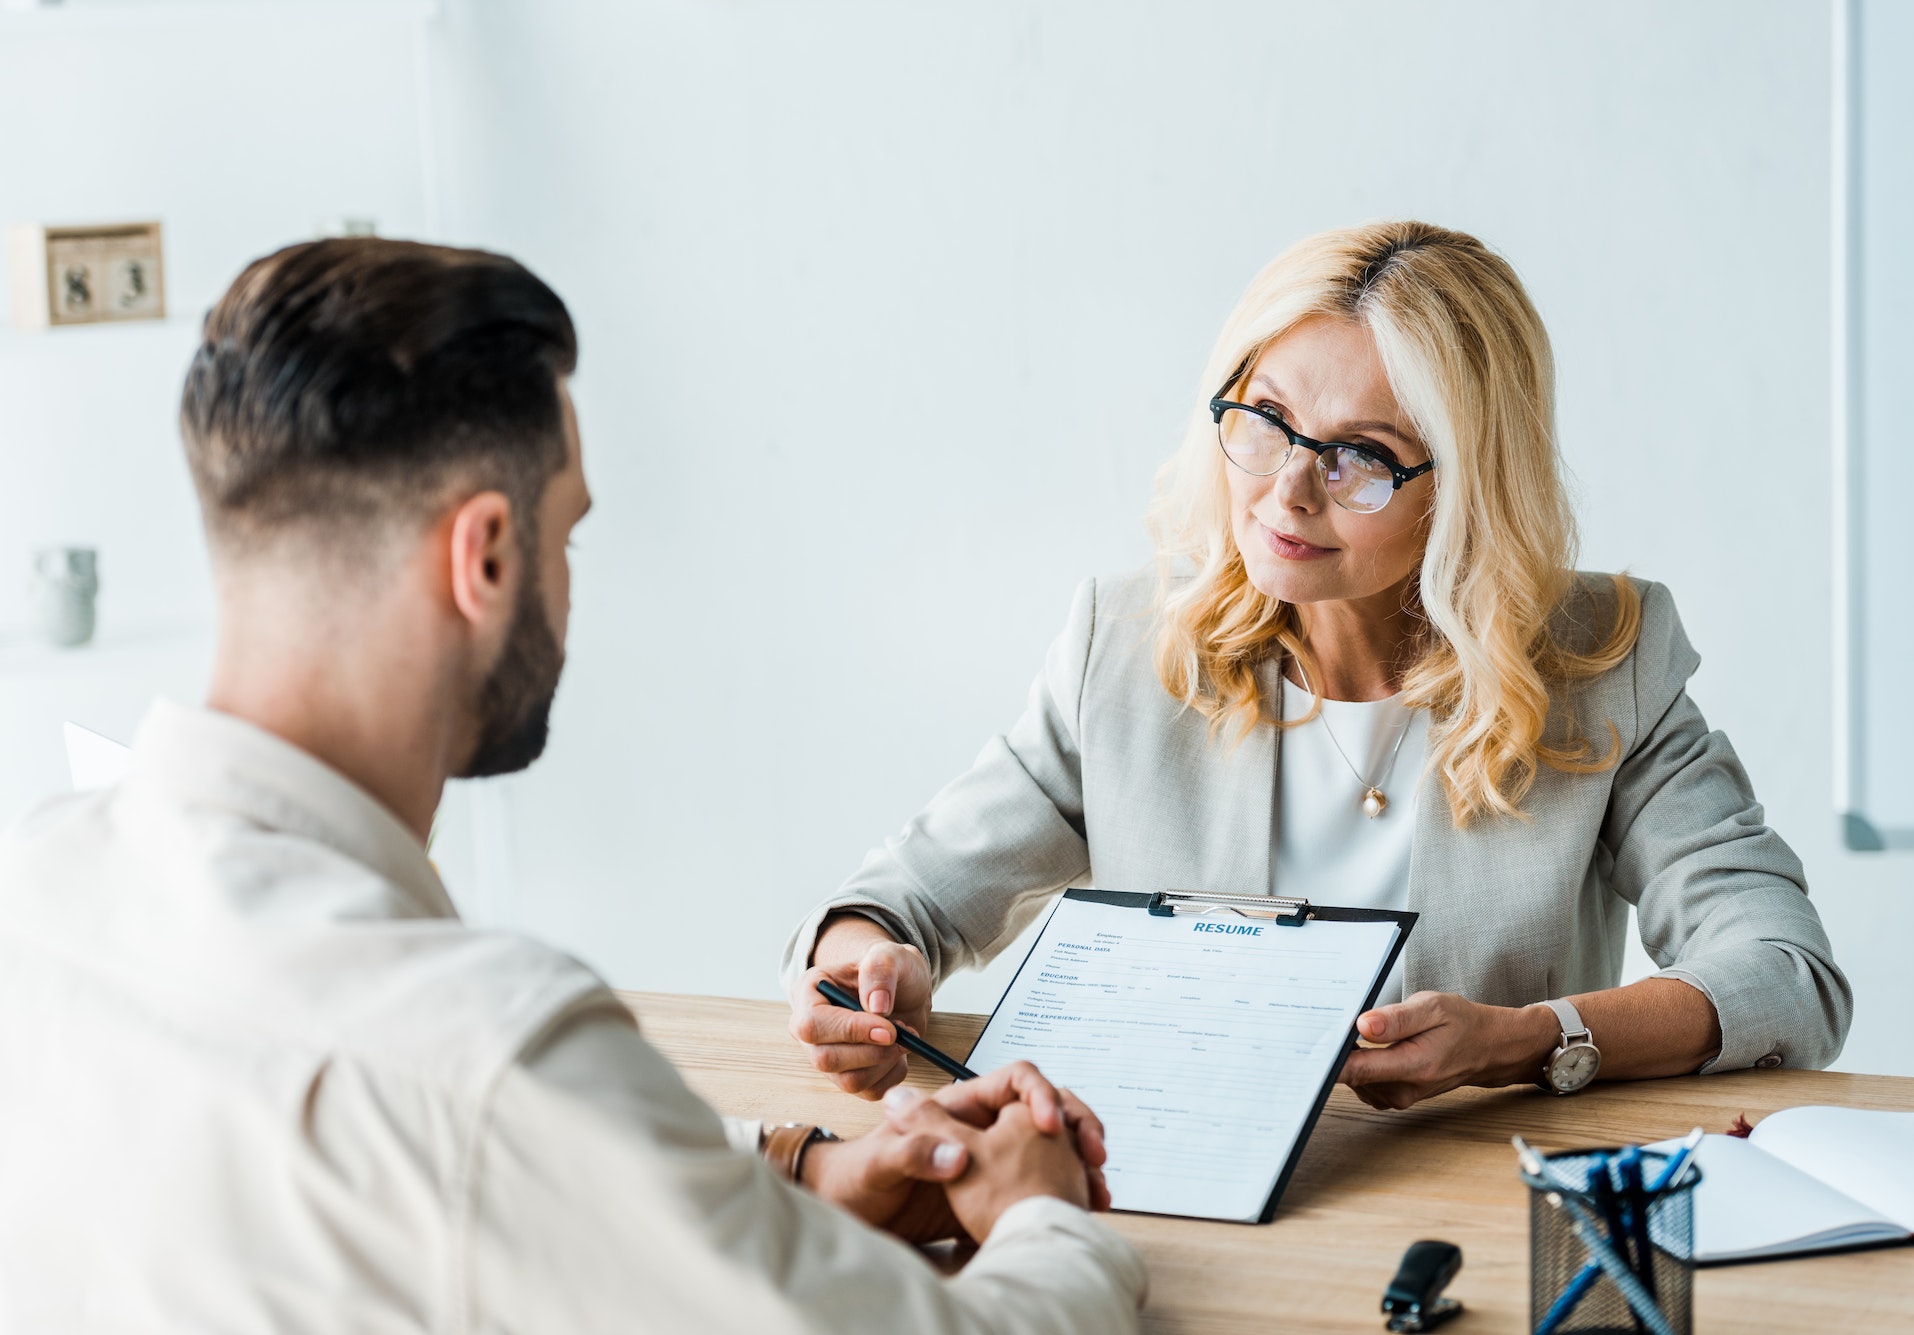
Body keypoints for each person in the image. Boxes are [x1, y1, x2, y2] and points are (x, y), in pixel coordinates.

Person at [0, 239, 1144, 1333]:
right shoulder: (491, 1055)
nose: (566, 580)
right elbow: (490, 1127)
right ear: (484, 557)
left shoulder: (40, 884)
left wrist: (803, 1169)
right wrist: (1046, 1219)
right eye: (568, 536)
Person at [785, 220, 1852, 1113]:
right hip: (1170, 1193)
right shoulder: (1122, 643)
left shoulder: (1599, 661)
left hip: (1464, 1207)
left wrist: (1529, 1038)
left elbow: (1785, 976)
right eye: (1266, 423)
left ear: (1465, 486)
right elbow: (907, 896)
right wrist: (864, 951)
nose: (1286, 492)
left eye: (1361, 457)